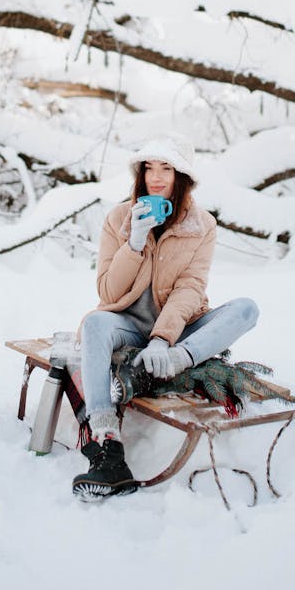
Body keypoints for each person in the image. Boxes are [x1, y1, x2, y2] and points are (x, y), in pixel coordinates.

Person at [72, 134, 259, 501]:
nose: (156, 178)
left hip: (179, 330)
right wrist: (135, 242)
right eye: (149, 168)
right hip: (127, 324)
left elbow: (191, 288)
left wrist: (165, 341)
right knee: (94, 323)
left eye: (166, 168)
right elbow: (108, 294)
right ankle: (108, 446)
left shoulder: (201, 226)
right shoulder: (119, 218)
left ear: (181, 175)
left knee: (246, 309)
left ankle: (173, 363)